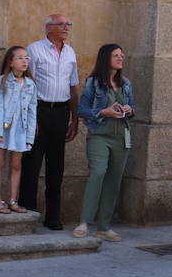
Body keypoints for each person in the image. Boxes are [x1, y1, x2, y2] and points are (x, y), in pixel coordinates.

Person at [19, 14, 80, 230]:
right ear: (48, 27)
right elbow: (28, 84)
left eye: (67, 24)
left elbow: (73, 86)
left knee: (57, 166)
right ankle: (28, 213)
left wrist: (75, 118)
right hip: (40, 109)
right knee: (32, 164)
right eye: (61, 24)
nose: (66, 27)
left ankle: (53, 216)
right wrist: (30, 116)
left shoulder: (71, 52)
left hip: (61, 112)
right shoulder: (34, 50)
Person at [75, 44, 135, 241]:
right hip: (99, 135)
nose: (120, 58)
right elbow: (82, 110)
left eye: (122, 55)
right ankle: (84, 222)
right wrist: (103, 112)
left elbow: (133, 109)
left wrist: (129, 110)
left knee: (114, 180)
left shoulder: (125, 83)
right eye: (116, 55)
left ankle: (103, 226)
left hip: (121, 137)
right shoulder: (93, 83)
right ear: (105, 58)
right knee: (98, 172)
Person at [0, 46, 36, 214]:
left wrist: (30, 136)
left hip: (21, 130)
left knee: (16, 165)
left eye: (27, 58)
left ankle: (13, 200)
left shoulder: (30, 84)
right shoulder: (3, 80)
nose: (25, 61)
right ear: (10, 61)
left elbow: (32, 111)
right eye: (20, 58)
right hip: (4, 127)